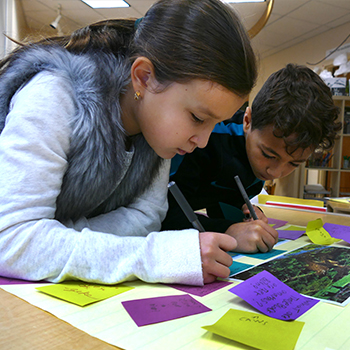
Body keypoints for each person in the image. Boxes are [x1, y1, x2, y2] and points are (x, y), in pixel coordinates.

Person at [0, 0, 257, 285]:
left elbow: (147, 217)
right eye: (197, 117)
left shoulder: (157, 131)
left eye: (215, 123)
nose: (203, 141)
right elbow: (11, 240)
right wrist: (158, 256)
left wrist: (57, 238)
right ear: (143, 77)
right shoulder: (52, 95)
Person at [162, 63, 342, 253]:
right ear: (247, 121)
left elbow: (222, 203)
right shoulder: (204, 141)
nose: (275, 172)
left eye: (294, 163)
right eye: (268, 154)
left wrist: (246, 218)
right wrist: (228, 231)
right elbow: (162, 216)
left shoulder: (258, 154)